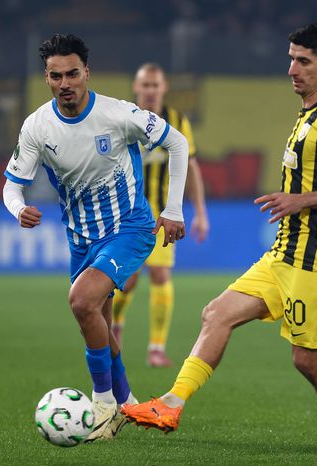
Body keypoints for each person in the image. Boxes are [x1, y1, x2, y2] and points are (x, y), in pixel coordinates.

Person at [123, 23, 317, 462]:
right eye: (291, 58)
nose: (292, 69)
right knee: (217, 313)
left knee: (309, 360)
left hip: (316, 260)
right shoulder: (309, 116)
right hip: (283, 254)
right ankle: (170, 405)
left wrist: (301, 201)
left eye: (304, 61)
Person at [1, 34, 189, 442]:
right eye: (56, 76)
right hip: (81, 239)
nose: (64, 83)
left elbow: (177, 142)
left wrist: (173, 209)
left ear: (86, 72)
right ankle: (126, 401)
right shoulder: (37, 126)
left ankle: (102, 404)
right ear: (47, 78)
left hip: (129, 228)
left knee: (81, 301)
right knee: (97, 322)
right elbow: (12, 186)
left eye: (72, 74)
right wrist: (18, 209)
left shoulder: (118, 114)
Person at [111, 63, 209, 368]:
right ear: (136, 88)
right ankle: (115, 325)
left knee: (160, 274)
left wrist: (200, 212)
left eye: (155, 85)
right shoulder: (123, 120)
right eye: (145, 85)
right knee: (127, 281)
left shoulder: (177, 121)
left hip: (163, 213)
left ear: (164, 88)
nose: (150, 91)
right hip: (127, 214)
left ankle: (156, 347)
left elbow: (191, 166)